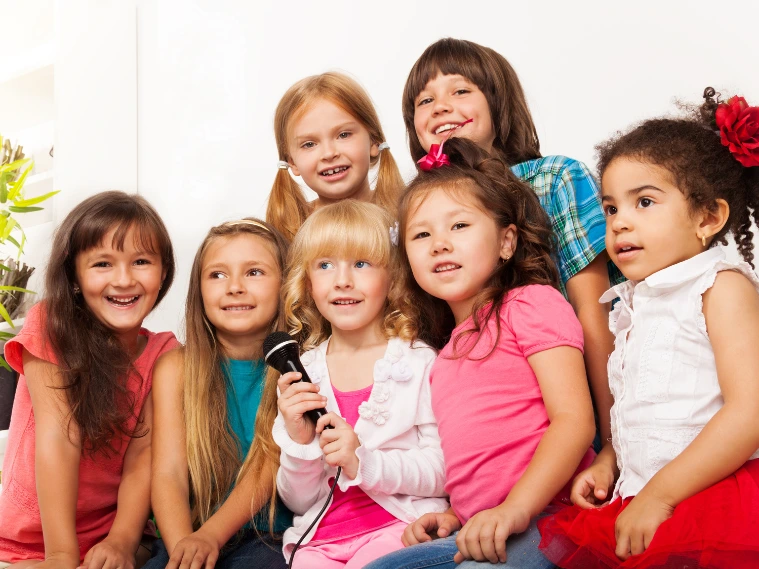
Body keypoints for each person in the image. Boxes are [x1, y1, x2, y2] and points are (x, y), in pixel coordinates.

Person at [538, 88, 759, 568]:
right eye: (612, 208)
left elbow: (749, 412)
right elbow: (641, 410)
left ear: (707, 217)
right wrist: (608, 460)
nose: (618, 224)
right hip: (640, 501)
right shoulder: (629, 304)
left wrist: (660, 496)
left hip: (709, 500)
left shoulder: (720, 288)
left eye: (644, 202)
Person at [366, 138, 596, 569]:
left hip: (551, 515)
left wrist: (516, 509)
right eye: (421, 234)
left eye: (459, 226)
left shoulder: (531, 304)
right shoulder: (440, 356)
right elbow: (484, 461)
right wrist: (453, 514)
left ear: (507, 241)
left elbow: (575, 421)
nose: (439, 244)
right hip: (481, 526)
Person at [403, 37, 621, 445]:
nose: (440, 106)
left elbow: (595, 315)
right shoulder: (415, 214)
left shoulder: (555, 178)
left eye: (461, 90)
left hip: (571, 410)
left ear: (498, 102)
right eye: (424, 100)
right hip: (488, 427)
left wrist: (612, 442)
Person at [0, 191, 179, 569]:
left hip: (108, 536)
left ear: (163, 272)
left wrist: (122, 541)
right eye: (102, 264)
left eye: (141, 261)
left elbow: (143, 455)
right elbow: (58, 434)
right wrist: (61, 556)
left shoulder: (165, 354)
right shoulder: (51, 325)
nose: (124, 279)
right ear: (75, 276)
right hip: (34, 538)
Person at [273, 200, 448, 568]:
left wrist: (363, 462)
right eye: (325, 265)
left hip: (397, 528)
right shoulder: (302, 372)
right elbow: (299, 502)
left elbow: (442, 472)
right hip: (317, 542)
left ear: (393, 278)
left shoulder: (418, 362)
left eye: (361, 263)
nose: (342, 280)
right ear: (307, 281)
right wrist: (298, 441)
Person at [146, 218, 292, 569]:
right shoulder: (175, 368)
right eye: (217, 275)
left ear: (286, 284)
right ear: (199, 290)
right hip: (191, 532)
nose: (235, 287)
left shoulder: (299, 364)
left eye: (254, 272)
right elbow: (168, 474)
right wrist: (185, 549)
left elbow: (268, 463)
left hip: (272, 538)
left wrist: (211, 536)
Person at [266, 71, 404, 242]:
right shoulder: (288, 233)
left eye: (344, 135)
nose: (329, 153)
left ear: (374, 141)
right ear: (292, 162)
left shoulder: (407, 215)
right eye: (309, 144)